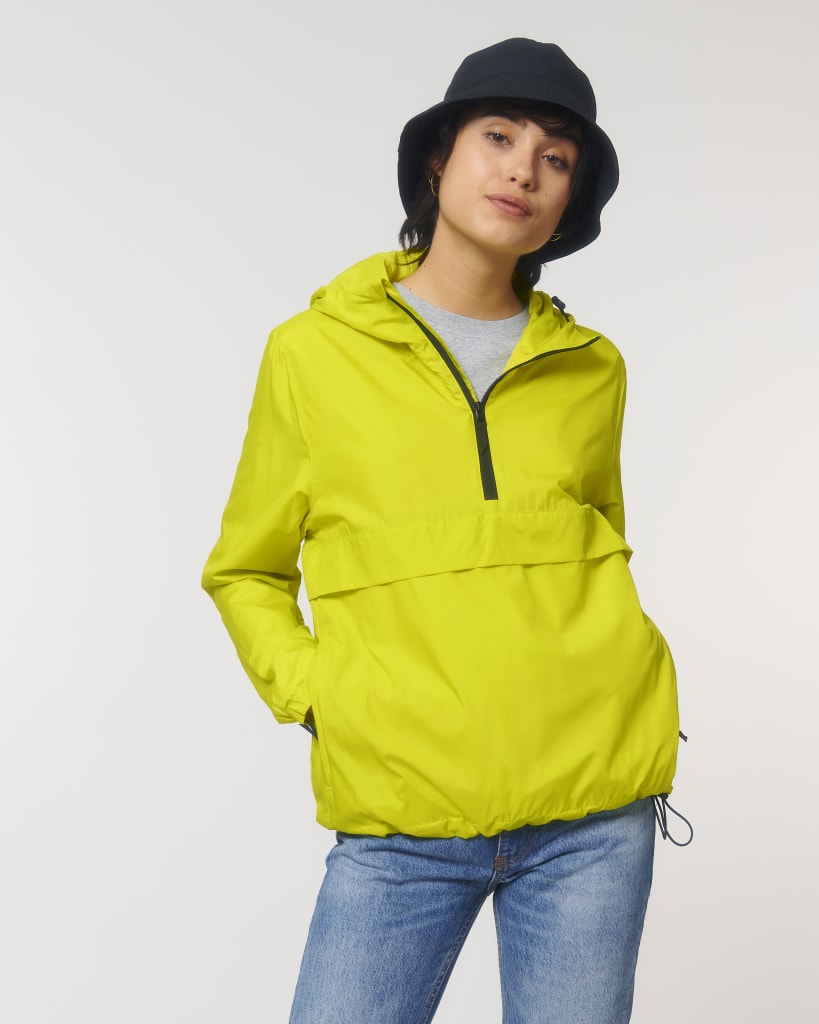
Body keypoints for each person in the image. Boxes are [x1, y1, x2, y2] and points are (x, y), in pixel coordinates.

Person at [202, 37, 684, 1024]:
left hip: (595, 816)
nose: (523, 170)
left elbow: (599, 551)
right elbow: (245, 569)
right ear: (437, 158)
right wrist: (325, 697)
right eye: (498, 137)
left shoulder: (593, 368)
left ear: (570, 198)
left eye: (556, 157)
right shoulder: (311, 354)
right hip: (401, 818)